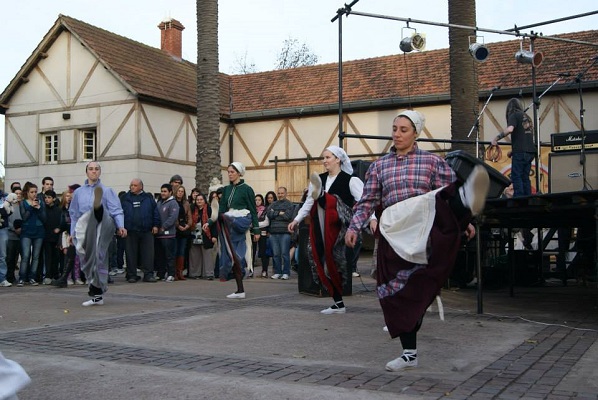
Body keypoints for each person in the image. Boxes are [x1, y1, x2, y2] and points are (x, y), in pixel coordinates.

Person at [345, 110, 490, 371]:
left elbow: (445, 194)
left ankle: (469, 199)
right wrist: (354, 226)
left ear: (416, 134)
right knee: (395, 292)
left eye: (403, 129)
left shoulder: (432, 162)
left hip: (422, 230)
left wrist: (463, 220)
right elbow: (366, 201)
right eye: (395, 128)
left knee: (420, 285)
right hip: (394, 231)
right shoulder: (379, 166)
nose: (397, 134)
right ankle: (409, 352)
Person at [288, 145, 369, 314]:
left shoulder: (351, 180)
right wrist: (296, 219)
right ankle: (338, 302)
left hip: (339, 228)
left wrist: (372, 220)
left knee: (336, 262)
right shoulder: (320, 179)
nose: (324, 161)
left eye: (328, 157)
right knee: (319, 260)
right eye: (323, 158)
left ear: (338, 159)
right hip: (321, 225)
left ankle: (325, 197)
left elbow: (364, 202)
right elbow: (309, 203)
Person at [69, 161, 127, 306]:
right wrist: (72, 233)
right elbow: (74, 214)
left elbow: (116, 210)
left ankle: (97, 292)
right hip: (84, 228)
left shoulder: (107, 191)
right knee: (87, 261)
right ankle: (97, 294)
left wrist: (121, 225)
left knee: (98, 257)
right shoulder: (78, 193)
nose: (94, 171)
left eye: (96, 169)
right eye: (91, 169)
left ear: (100, 172)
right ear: (86, 172)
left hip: (102, 226)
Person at [207, 162, 260, 299]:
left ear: (239, 173)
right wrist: (211, 221)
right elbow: (222, 209)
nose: (229, 174)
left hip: (241, 228)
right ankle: (240, 290)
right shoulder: (226, 190)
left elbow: (253, 211)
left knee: (240, 257)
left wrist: (257, 229)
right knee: (232, 258)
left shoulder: (247, 189)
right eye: (229, 172)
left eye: (232, 172)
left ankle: (241, 285)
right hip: (229, 228)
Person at [491, 98, 535, 197]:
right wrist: (513, 150)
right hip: (530, 151)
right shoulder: (527, 117)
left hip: (520, 152)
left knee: (516, 176)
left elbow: (510, 129)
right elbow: (524, 136)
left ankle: (519, 198)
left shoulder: (514, 115)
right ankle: (527, 198)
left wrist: (496, 138)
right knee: (525, 177)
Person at [121, 178, 160, 283]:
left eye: (135, 185)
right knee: (130, 254)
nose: (132, 187)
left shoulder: (148, 197)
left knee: (148, 254)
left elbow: (155, 212)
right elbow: (119, 213)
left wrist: (156, 225)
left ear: (141, 187)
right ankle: (131, 275)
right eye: (131, 185)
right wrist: (120, 227)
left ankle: (148, 274)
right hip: (130, 230)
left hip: (146, 230)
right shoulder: (125, 198)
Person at [18, 182, 46, 287]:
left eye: (35, 192)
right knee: (25, 255)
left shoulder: (41, 203)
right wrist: (31, 207)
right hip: (26, 231)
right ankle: (22, 278)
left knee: (36, 256)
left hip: (39, 231)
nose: (34, 194)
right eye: (32, 192)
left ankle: (32, 277)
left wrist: (38, 208)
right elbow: (24, 217)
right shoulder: (23, 203)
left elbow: (44, 219)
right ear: (27, 192)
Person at [267, 187, 295, 280]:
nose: (280, 195)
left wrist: (275, 213)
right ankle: (278, 272)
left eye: (282, 193)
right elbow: (269, 214)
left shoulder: (290, 204)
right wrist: (280, 213)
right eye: (279, 193)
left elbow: (288, 216)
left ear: (286, 193)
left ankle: (286, 272)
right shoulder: (273, 204)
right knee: (275, 254)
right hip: (273, 232)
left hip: (285, 233)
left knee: (284, 254)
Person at [188, 193, 217, 279]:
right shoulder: (192, 209)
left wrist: (214, 236)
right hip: (194, 235)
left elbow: (214, 223)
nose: (199, 201)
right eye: (197, 200)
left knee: (208, 255)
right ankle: (195, 274)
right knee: (194, 255)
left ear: (204, 200)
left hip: (206, 235)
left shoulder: (209, 209)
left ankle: (209, 274)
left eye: (201, 199)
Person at [154, 183, 179, 282]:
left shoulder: (173, 203)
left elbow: (173, 217)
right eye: (162, 191)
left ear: (170, 192)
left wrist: (164, 227)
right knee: (160, 256)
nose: (163, 193)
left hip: (169, 235)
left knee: (169, 256)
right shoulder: (159, 203)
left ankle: (171, 274)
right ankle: (160, 274)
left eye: (165, 191)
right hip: (159, 235)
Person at [41, 190, 62, 284]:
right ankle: (48, 275)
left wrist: (59, 228)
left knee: (56, 256)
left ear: (54, 198)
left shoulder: (58, 210)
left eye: (49, 197)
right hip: (46, 236)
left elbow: (61, 222)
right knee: (48, 256)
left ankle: (55, 274)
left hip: (56, 237)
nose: (47, 199)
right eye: (45, 197)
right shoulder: (43, 209)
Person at [253, 194, 271, 278]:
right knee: (251, 253)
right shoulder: (251, 210)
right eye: (256, 200)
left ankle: (264, 270)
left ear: (262, 201)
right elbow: (249, 222)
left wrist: (255, 225)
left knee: (263, 252)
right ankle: (251, 270)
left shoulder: (265, 210)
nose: (257, 201)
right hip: (252, 233)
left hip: (263, 233)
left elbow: (266, 222)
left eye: (259, 200)